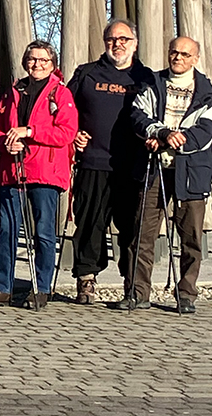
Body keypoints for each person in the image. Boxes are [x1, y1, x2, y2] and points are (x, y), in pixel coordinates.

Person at [121, 36, 212, 314]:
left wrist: (168, 139)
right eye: (174, 52)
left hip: (191, 174)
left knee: (191, 237)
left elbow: (203, 134)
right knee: (142, 234)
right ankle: (138, 292)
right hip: (153, 170)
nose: (178, 58)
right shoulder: (152, 83)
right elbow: (138, 116)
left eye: (185, 54)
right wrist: (162, 133)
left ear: (195, 59)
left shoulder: (207, 94)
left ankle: (186, 293)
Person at [64, 18, 153, 305]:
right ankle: (87, 279)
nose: (118, 45)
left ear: (134, 44)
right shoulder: (87, 73)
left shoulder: (146, 78)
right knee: (90, 223)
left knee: (131, 227)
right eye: (112, 40)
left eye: (124, 39)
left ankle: (132, 283)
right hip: (93, 161)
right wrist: (74, 134)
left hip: (132, 165)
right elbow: (65, 111)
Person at [0, 40, 78, 310]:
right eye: (32, 59)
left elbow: (66, 133)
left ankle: (42, 287)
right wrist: (4, 142)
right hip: (13, 170)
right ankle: (3, 286)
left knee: (44, 233)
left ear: (52, 65)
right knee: (7, 230)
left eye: (42, 60)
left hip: (45, 172)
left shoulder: (60, 94)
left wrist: (31, 132)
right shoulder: (13, 91)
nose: (36, 64)